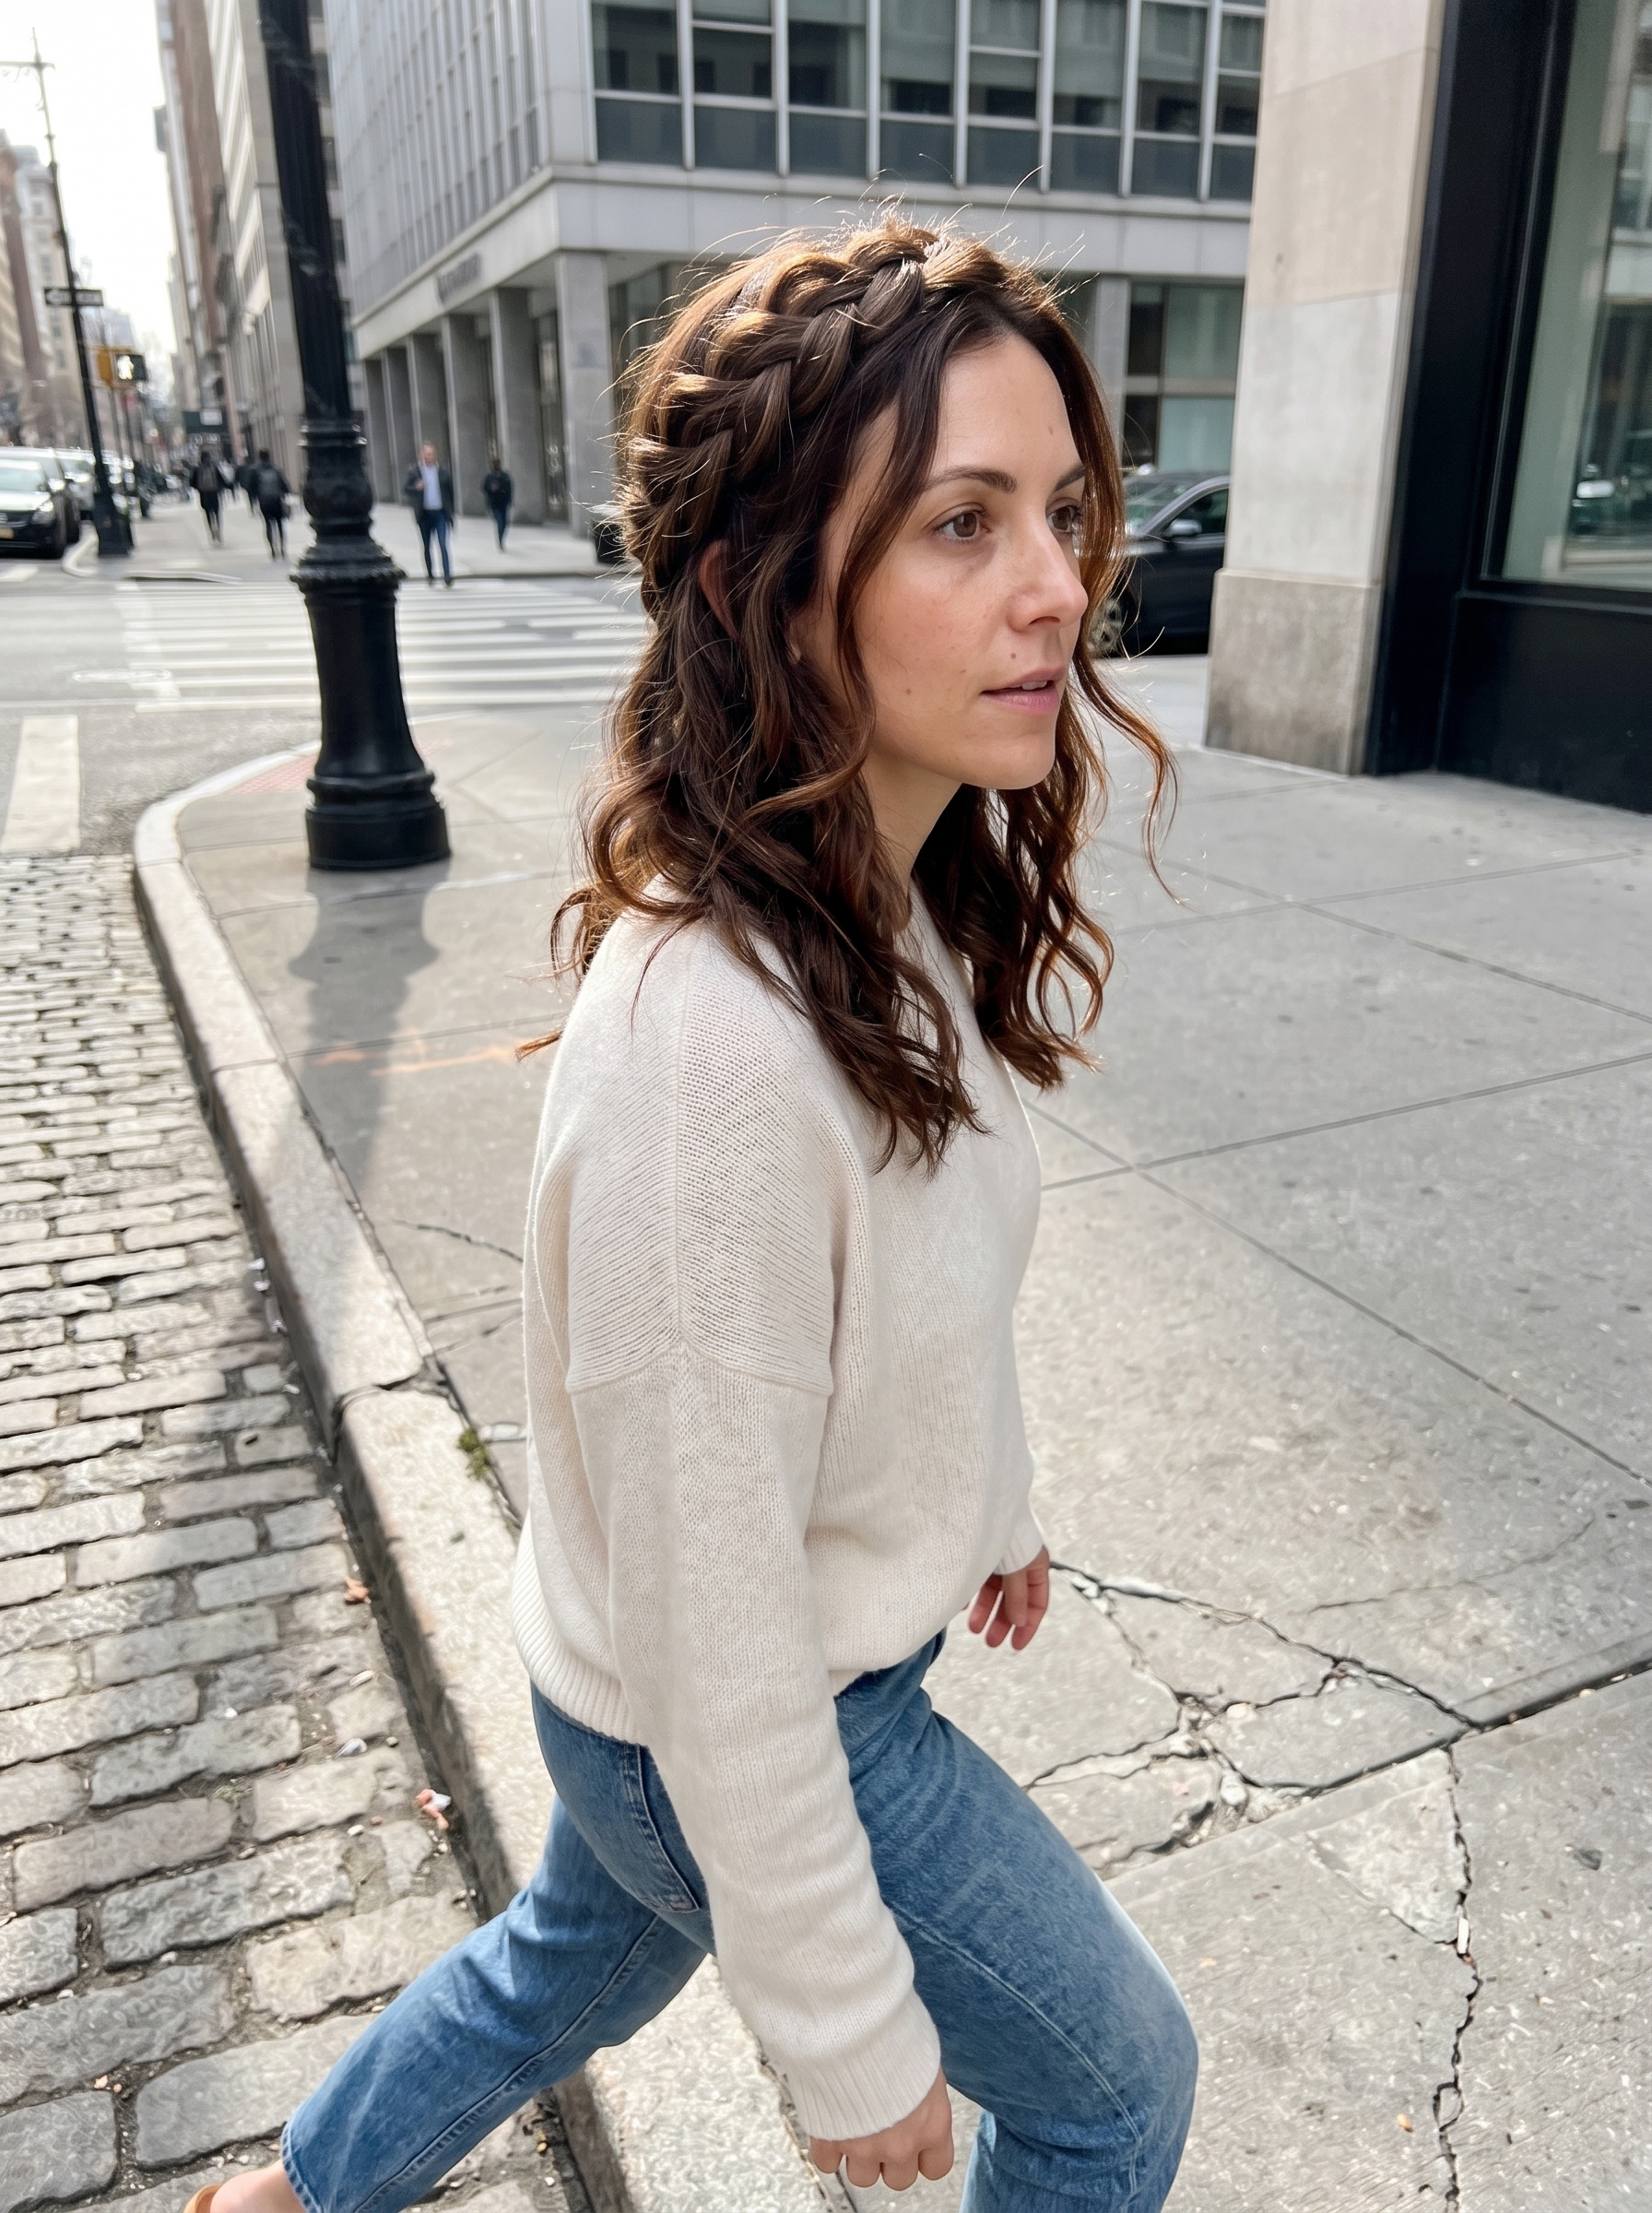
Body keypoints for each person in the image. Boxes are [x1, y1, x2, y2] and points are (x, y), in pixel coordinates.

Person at [192, 219, 1194, 2213]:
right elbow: (720, 1621)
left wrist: (979, 1499)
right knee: (1108, 2088)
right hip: (736, 1710)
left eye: (1063, 512)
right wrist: (845, 2034)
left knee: (556, 1969)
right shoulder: (711, 1055)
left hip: (653, 1694)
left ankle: (281, 2200)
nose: (1058, 588)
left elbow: (912, 1291)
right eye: (958, 526)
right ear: (758, 587)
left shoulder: (883, 901)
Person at [403, 440, 454, 583]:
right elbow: (406, 489)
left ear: (435, 455)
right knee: (427, 545)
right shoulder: (415, 472)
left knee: (443, 544)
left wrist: (451, 513)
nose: (429, 457)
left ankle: (447, 575)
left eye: (431, 454)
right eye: (426, 454)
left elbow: (450, 493)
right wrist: (416, 487)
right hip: (424, 514)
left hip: (441, 513)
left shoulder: (443, 472)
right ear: (421, 455)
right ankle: (430, 575)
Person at [254, 448, 291, 559]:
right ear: (269, 456)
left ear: (260, 457)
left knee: (268, 525)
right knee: (280, 525)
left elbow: (253, 488)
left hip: (264, 502)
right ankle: (283, 548)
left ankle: (272, 550)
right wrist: (285, 494)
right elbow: (285, 485)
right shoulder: (276, 469)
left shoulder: (256, 471)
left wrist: (255, 501)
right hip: (277, 501)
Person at [192, 447, 225, 544]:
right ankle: (219, 531)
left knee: (208, 515)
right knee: (217, 513)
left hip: (204, 495)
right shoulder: (214, 467)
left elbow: (193, 483)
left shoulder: (197, 469)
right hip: (214, 493)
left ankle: (212, 532)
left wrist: (199, 489)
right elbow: (221, 480)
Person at [481, 452, 513, 549]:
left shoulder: (505, 476)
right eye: (495, 463)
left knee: (505, 522)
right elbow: (484, 488)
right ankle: (500, 540)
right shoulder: (489, 477)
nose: (496, 465)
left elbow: (509, 488)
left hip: (503, 502)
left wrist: (509, 500)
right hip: (494, 502)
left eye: (498, 463)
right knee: (499, 521)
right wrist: (491, 489)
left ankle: (501, 537)